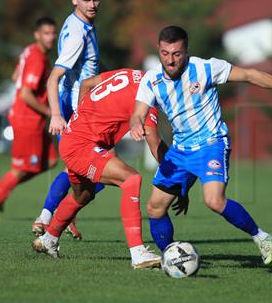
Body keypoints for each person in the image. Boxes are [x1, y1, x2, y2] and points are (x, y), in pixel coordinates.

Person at [129, 25, 272, 266]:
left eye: (176, 54)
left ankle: (262, 237)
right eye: (165, 54)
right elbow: (138, 113)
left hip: (211, 143)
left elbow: (250, 75)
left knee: (214, 200)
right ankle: (174, 257)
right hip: (180, 151)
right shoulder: (151, 79)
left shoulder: (206, 68)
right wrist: (136, 124)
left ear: (186, 51)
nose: (170, 60)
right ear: (159, 50)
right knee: (155, 207)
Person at [33, 68, 179, 269]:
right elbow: (155, 144)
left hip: (72, 137)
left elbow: (87, 83)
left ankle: (49, 239)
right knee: (131, 179)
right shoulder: (147, 99)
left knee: (82, 196)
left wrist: (84, 118)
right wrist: (177, 177)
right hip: (81, 146)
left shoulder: (132, 74)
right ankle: (138, 253)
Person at [30, 0, 103, 237]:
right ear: (75, 0)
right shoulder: (77, 36)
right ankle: (51, 214)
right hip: (77, 108)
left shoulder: (78, 21)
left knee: (84, 172)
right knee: (102, 173)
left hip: (77, 104)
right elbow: (54, 77)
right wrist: (57, 116)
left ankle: (55, 214)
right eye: (86, 0)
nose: (92, 4)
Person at [0, 17, 59, 221]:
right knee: (21, 169)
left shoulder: (30, 50)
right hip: (27, 119)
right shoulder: (38, 58)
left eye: (52, 33)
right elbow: (25, 94)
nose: (50, 37)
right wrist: (50, 112)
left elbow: (15, 77)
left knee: (51, 160)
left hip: (31, 119)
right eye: (46, 33)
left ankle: (4, 185)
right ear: (37, 34)